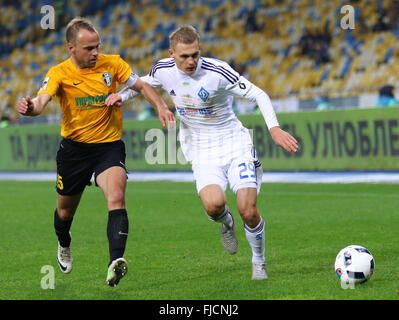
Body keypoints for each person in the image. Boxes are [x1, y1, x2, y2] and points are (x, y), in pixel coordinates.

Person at [105, 25, 298, 280]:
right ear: (172, 54)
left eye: (195, 54)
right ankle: (226, 223)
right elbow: (140, 85)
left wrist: (274, 129)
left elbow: (259, 95)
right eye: (184, 56)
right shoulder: (163, 69)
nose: (191, 61)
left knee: (248, 210)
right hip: (201, 150)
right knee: (213, 206)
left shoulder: (218, 72)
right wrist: (120, 96)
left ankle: (258, 261)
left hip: (234, 144)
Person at [17, 17, 175, 287]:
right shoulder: (58, 73)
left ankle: (115, 263)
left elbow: (142, 86)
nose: (95, 53)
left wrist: (160, 106)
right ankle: (64, 242)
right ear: (71, 48)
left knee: (116, 196)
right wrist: (29, 107)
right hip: (74, 151)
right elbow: (41, 103)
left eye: (97, 47)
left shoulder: (113, 63)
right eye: (89, 48)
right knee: (65, 213)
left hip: (108, 147)